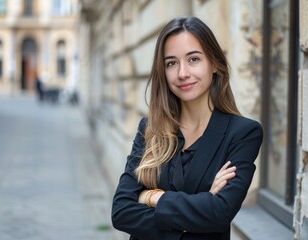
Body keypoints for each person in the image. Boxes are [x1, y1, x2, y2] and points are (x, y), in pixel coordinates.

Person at [112, 16, 263, 240]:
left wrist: (151, 197)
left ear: (214, 64)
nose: (182, 73)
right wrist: (200, 207)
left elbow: (219, 212)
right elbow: (121, 212)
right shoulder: (150, 129)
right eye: (171, 63)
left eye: (193, 59)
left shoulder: (242, 134)